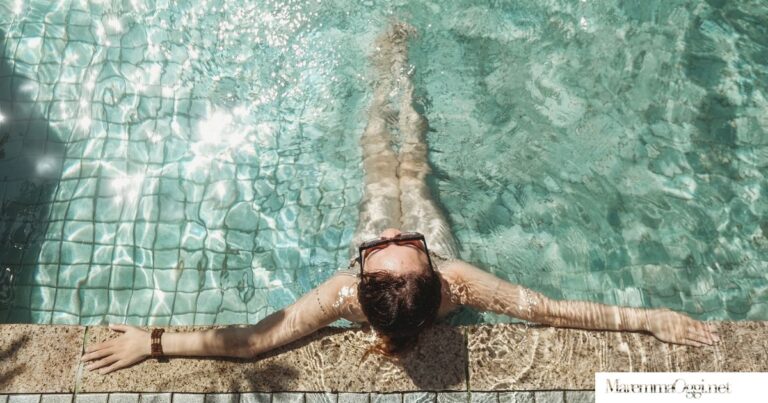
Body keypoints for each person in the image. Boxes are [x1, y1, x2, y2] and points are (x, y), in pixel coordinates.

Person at [81, 23, 719, 375]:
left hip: (393, 246)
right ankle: (400, 82)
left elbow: (253, 342)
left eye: (389, 246)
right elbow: (549, 310)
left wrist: (153, 343)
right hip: (421, 239)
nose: (391, 233)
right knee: (412, 168)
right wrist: (643, 318)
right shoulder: (456, 281)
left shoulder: (344, 295)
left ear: (362, 276)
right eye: (401, 244)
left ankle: (386, 79)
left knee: (379, 164)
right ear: (430, 269)